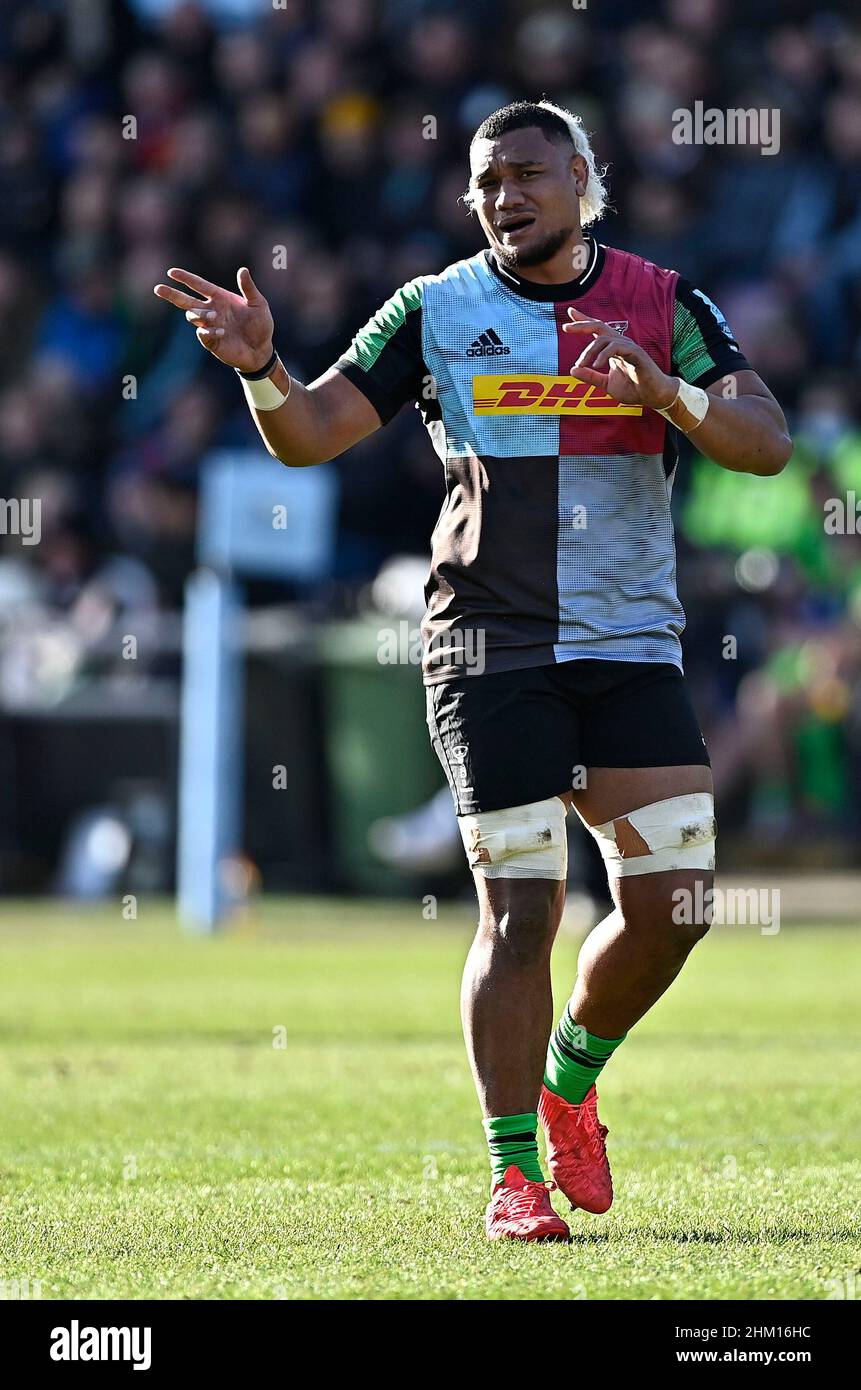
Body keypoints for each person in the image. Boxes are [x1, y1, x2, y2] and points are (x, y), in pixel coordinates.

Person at [154, 100, 792, 1243]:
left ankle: (570, 1083)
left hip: (630, 640)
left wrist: (670, 394)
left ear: (583, 182)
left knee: (678, 903)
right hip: (490, 646)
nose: (508, 197)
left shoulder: (662, 300)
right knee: (521, 913)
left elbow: (767, 439)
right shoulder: (435, 309)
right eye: (489, 180)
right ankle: (513, 1175)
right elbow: (310, 434)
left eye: (531, 175)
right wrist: (261, 370)